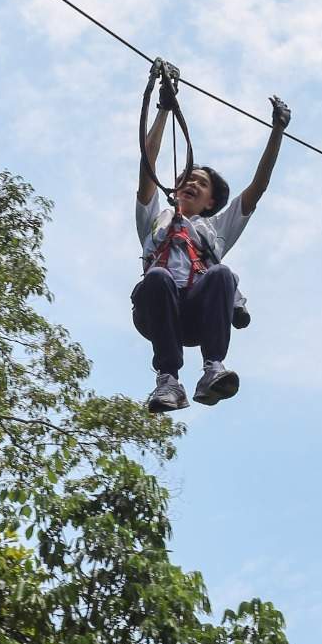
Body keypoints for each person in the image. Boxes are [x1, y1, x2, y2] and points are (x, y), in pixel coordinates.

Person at [133, 79, 289, 412]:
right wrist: (164, 109)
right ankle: (168, 381)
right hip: (158, 310)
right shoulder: (153, 218)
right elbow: (148, 160)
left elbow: (257, 188)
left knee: (221, 273)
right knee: (158, 276)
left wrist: (277, 132)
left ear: (210, 201)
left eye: (200, 183)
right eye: (186, 178)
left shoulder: (215, 229)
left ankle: (212, 369)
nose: (191, 183)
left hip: (196, 316)